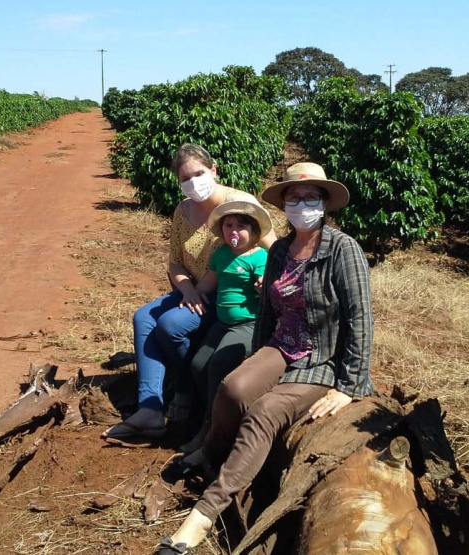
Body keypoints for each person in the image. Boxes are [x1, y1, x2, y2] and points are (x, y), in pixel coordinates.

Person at [158, 162, 374, 554]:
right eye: (294, 198)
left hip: (322, 358)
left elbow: (360, 318)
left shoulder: (343, 249)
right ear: (285, 205)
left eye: (311, 198)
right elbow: (268, 315)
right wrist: (257, 361)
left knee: (264, 413)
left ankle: (203, 515)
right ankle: (209, 448)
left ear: (325, 203)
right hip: (281, 345)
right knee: (233, 387)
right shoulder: (278, 251)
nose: (302, 204)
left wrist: (349, 385)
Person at [103, 144, 276, 442]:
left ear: (214, 170)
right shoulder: (183, 211)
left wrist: (268, 283)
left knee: (170, 325)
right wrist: (187, 290)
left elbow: (275, 249)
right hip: (195, 290)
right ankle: (150, 409)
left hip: (229, 296)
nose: (193, 182)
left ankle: (187, 391)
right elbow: (175, 263)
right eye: (185, 178)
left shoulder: (241, 204)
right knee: (144, 317)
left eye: (199, 173)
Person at [181, 198, 273, 454]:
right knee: (199, 365)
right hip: (222, 324)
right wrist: (192, 294)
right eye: (228, 225)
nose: (234, 231)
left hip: (248, 324)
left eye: (241, 226)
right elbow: (209, 282)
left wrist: (261, 288)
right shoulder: (221, 254)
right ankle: (208, 412)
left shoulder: (260, 257)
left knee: (219, 365)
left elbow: (267, 288)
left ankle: (210, 432)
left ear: (254, 232)